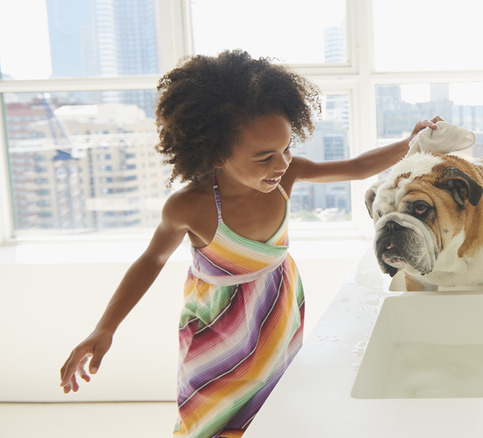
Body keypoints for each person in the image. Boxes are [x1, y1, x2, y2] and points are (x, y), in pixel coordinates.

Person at [59, 49, 441, 437]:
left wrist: (410, 142)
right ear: (218, 154)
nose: (281, 164)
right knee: (210, 415)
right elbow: (150, 260)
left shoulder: (287, 176)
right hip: (216, 328)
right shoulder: (190, 206)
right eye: (264, 158)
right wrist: (104, 328)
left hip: (277, 313)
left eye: (287, 148)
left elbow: (357, 168)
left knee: (275, 406)